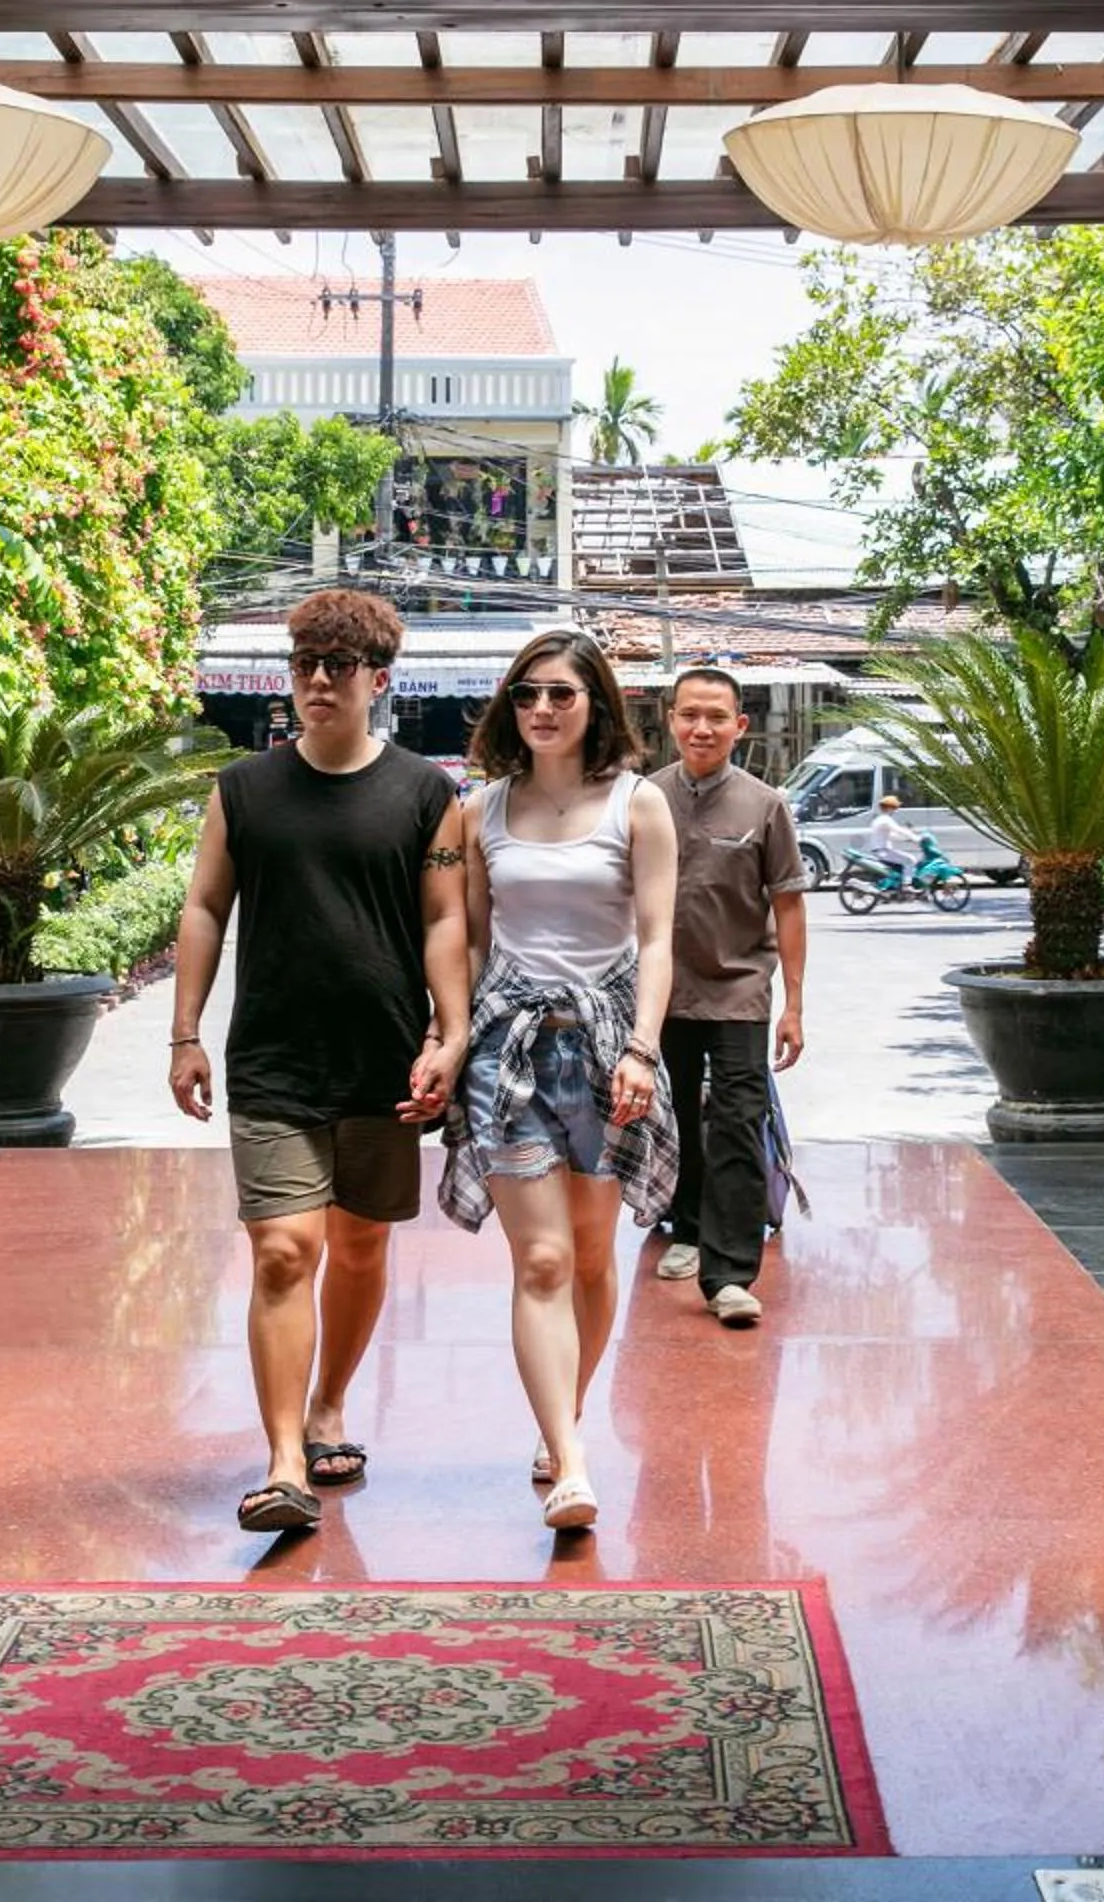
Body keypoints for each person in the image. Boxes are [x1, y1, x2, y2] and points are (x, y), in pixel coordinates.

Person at [170, 587, 470, 1534]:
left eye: (337, 668)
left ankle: (331, 1402)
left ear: (380, 680)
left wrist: (448, 1034)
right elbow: (206, 908)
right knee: (284, 1248)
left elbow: (445, 919)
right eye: (304, 666)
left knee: (363, 1244)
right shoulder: (244, 791)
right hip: (271, 1059)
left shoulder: (429, 794)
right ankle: (284, 1461)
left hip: (384, 1058)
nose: (317, 684)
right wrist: (184, 1031)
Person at [439, 629, 680, 1531]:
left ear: (596, 707)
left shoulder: (638, 805)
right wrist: (449, 1036)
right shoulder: (482, 812)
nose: (540, 709)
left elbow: (656, 939)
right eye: (527, 694)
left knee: (588, 1255)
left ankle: (561, 1422)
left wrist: (644, 1050)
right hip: (510, 1050)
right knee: (539, 1259)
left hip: (609, 1043)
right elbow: (464, 939)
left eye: (561, 695)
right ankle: (572, 1464)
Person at [644, 668, 809, 1323]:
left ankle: (731, 1275)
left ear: (740, 726)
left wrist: (793, 1003)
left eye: (716, 716)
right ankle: (685, 1228)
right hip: (660, 993)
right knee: (674, 1117)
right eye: (690, 715)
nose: (702, 728)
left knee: (740, 1121)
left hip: (740, 991)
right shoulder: (645, 798)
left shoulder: (765, 805)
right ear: (671, 720)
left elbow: (789, 906)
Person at [863, 792, 911, 883]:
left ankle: (898, 885)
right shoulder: (886, 820)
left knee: (901, 863)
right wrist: (916, 838)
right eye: (894, 808)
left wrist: (906, 839)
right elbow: (899, 830)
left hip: (880, 851)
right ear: (889, 808)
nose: (895, 810)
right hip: (883, 851)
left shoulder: (879, 819)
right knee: (910, 860)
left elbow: (891, 836)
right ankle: (907, 885)